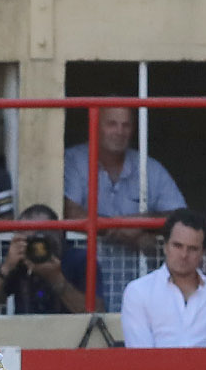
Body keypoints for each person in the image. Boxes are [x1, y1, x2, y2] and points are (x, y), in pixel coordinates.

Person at [61, 106, 186, 311]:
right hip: (85, 283)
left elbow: (180, 216)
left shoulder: (148, 167)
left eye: (125, 125)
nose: (119, 131)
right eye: (111, 124)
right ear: (95, 126)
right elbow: (70, 212)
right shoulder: (73, 161)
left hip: (137, 282)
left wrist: (139, 223)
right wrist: (120, 229)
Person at [120, 209, 206, 348]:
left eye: (192, 249)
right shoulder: (138, 292)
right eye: (177, 246)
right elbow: (141, 357)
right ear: (165, 246)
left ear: (203, 253)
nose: (184, 254)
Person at [0, 228, 88, 315]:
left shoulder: (76, 259)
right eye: (32, 242)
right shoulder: (17, 262)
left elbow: (95, 314)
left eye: (45, 242)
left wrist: (57, 278)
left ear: (60, 235)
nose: (38, 249)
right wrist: (6, 268)